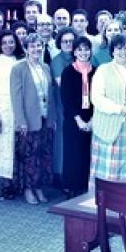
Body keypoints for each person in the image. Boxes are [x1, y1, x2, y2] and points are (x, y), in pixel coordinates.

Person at [88, 34, 126, 187]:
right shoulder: (103, 70)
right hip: (109, 129)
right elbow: (97, 98)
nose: (123, 52)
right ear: (112, 51)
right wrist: (121, 109)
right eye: (118, 48)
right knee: (108, 174)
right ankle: (102, 205)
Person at [10, 33, 56, 204]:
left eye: (39, 46)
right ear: (25, 49)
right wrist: (21, 121)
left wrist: (52, 118)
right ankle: (29, 189)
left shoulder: (45, 67)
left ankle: (39, 188)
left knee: (44, 155)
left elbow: (50, 94)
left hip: (45, 118)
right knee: (29, 157)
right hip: (28, 121)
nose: (37, 49)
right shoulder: (18, 69)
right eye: (32, 46)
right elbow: (16, 97)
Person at [0, 30, 24, 198]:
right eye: (4, 42)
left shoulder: (21, 61)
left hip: (19, 106)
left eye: (11, 42)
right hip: (1, 106)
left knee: (19, 145)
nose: (8, 45)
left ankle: (18, 182)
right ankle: (6, 184)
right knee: (3, 145)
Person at [61, 37, 95, 197]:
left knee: (86, 153)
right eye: (80, 49)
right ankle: (71, 187)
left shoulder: (96, 71)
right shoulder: (68, 72)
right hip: (73, 119)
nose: (83, 52)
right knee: (72, 153)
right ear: (74, 52)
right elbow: (66, 100)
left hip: (92, 118)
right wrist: (79, 120)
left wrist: (92, 120)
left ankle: (83, 186)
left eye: (86, 49)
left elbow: (99, 98)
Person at [50, 27, 77, 185]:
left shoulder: (79, 57)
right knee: (62, 140)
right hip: (62, 105)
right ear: (60, 43)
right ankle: (60, 176)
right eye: (65, 41)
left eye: (71, 41)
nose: (68, 44)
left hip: (79, 106)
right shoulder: (57, 61)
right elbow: (63, 85)